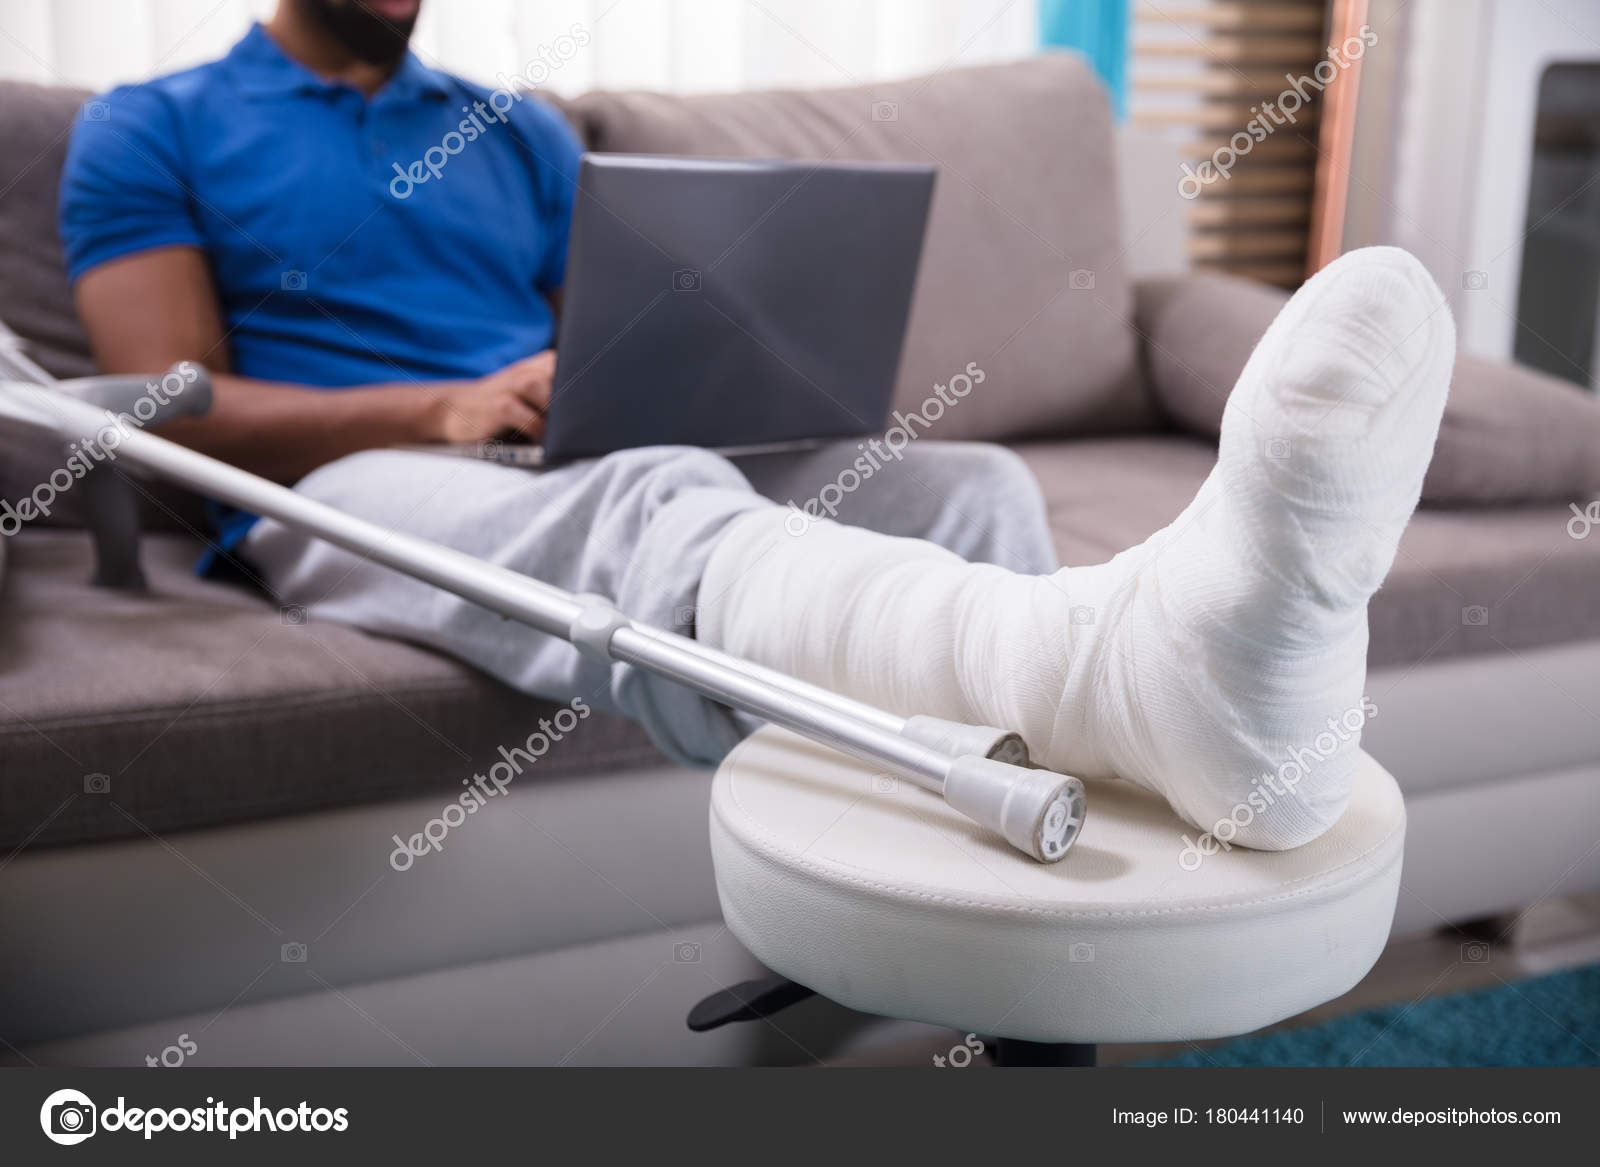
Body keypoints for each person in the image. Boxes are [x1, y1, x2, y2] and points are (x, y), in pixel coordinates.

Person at [60, 0, 1457, 851]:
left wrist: (704, 368)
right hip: (353, 482)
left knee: (961, 488)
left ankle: (1071, 775)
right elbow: (178, 407)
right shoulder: (154, 125)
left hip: (561, 444)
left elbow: (598, 333)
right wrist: (447, 403)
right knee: (650, 489)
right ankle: (1129, 693)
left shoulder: (513, 131)